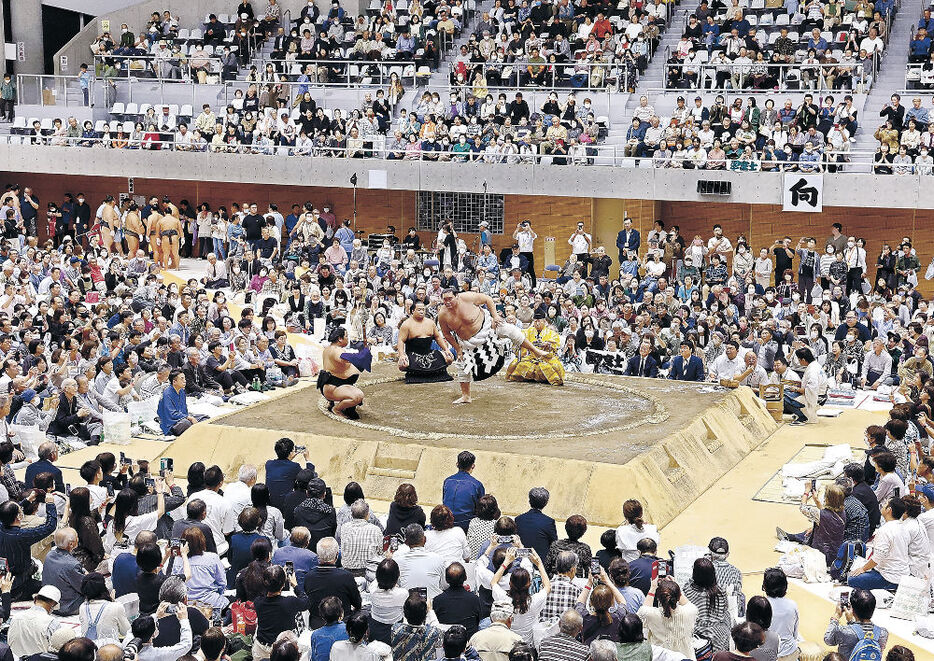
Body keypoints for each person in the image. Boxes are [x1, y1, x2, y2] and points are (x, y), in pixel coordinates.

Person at [438, 290, 548, 404]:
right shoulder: (443, 314)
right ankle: (466, 396)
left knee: (509, 329)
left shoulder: (468, 298)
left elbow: (487, 299)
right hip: (467, 342)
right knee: (462, 364)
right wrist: (458, 349)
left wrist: (495, 316)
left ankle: (535, 350)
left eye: (450, 298)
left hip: (487, 328)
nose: (447, 302)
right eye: (444, 299)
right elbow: (446, 334)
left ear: (457, 296)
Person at [0, 491, 57, 598]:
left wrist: (27, 500)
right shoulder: (22, 536)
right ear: (18, 516)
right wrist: (50, 504)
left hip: (3, 574)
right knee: (49, 588)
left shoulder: (2, 525)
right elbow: (50, 526)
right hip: (19, 583)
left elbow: (6, 513)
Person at [848, 497, 911, 590]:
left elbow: (878, 557)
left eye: (885, 504)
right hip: (903, 574)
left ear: (889, 510)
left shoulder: (885, 530)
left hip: (889, 578)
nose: (882, 506)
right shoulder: (904, 528)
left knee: (851, 579)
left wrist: (863, 569)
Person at [253, 565, 310, 661]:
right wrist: (295, 585)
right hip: (283, 652)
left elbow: (266, 592)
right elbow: (306, 602)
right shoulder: (289, 602)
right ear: (283, 584)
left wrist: (276, 576)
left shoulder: (258, 602)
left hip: (261, 648)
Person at [303, 537, 362, 629]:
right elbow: (357, 603)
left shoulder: (309, 577)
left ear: (318, 555)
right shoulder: (346, 576)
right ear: (337, 555)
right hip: (342, 623)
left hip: (317, 623)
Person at [637, 578, 698, 660]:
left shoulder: (651, 615)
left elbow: (641, 612)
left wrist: (653, 588)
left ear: (658, 599)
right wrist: (675, 587)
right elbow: (687, 603)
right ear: (678, 596)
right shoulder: (690, 612)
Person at [397, 300, 454, 383]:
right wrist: (402, 355)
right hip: (413, 354)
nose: (422, 311)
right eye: (419, 309)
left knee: (449, 358)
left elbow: (438, 337)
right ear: (413, 311)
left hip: (429, 354)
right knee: (403, 364)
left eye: (423, 309)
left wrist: (446, 349)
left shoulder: (430, 323)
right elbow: (401, 340)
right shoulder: (406, 324)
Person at [824, 588, 888, 659]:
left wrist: (836, 616)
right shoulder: (883, 633)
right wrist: (851, 622)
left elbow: (828, 639)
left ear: (852, 610)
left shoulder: (844, 631)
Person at [318, 327, 365, 418]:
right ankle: (337, 409)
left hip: (330, 385)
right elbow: (342, 357)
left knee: (356, 396)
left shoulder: (328, 348)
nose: (348, 338)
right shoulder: (336, 350)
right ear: (340, 338)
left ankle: (332, 402)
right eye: (346, 336)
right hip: (333, 387)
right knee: (358, 396)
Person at [7, 584, 62, 659]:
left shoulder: (16, 617)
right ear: (53, 604)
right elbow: (58, 649)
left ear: (35, 599)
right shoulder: (51, 622)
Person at [42, 528, 86, 616]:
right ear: (71, 544)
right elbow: (83, 588)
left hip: (49, 603)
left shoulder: (49, 555)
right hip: (67, 607)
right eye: (76, 538)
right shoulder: (72, 565)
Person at [433, 562, 483, 637]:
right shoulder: (474, 599)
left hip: (446, 642)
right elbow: (479, 620)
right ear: (465, 577)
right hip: (468, 641)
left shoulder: (438, 600)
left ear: (446, 579)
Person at [264, 437, 315, 510]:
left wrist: (288, 458)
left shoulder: (268, 464)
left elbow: (283, 468)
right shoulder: (294, 467)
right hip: (286, 506)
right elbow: (308, 476)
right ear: (291, 452)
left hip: (270, 504)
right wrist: (307, 459)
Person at [762, 569, 800, 661]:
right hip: (789, 652)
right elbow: (795, 634)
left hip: (767, 654)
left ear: (764, 586)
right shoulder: (792, 605)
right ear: (785, 586)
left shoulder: (761, 605)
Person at [442, 451, 485, 531]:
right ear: (473, 466)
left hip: (446, 522)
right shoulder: (477, 485)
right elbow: (481, 510)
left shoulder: (447, 481)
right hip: (467, 526)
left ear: (457, 464)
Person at [515, 487, 559, 560]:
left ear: (529, 501)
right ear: (546, 503)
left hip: (520, 561)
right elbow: (554, 544)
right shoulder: (549, 522)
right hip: (539, 563)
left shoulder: (518, 519)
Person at [157, 369, 204, 436]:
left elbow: (184, 409)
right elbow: (172, 414)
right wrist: (189, 418)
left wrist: (189, 417)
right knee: (186, 423)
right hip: (170, 423)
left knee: (204, 418)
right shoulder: (167, 393)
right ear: (174, 381)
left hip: (182, 417)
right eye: (182, 379)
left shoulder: (181, 391)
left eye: (184, 378)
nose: (185, 381)